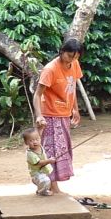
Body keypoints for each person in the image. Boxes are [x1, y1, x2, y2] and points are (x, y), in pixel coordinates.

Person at [32, 38, 83, 194]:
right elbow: (37, 94)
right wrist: (39, 116)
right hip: (50, 115)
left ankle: (51, 186)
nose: (72, 60)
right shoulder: (50, 69)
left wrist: (75, 109)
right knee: (51, 150)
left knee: (62, 149)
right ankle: (52, 186)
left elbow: (72, 87)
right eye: (69, 56)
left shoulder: (74, 63)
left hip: (64, 114)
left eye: (76, 57)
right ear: (62, 52)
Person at [22, 127, 56, 195]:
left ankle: (40, 189)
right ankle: (42, 191)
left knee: (46, 180)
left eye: (36, 139)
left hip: (43, 171)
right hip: (36, 173)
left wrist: (41, 128)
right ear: (26, 142)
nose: (35, 142)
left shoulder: (39, 145)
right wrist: (49, 161)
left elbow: (39, 134)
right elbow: (39, 163)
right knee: (46, 180)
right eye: (31, 140)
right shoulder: (30, 154)